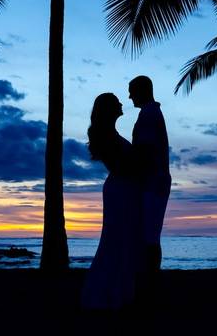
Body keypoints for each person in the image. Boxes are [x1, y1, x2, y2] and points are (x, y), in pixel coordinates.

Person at [80, 93, 142, 310]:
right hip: (120, 189)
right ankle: (109, 295)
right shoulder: (106, 136)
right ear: (108, 108)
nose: (121, 103)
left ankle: (118, 292)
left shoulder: (110, 134)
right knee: (116, 239)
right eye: (116, 101)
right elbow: (120, 167)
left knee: (122, 239)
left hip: (122, 188)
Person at [128, 75, 172, 304]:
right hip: (155, 182)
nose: (129, 96)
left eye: (132, 91)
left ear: (142, 90)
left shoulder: (148, 114)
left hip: (153, 183)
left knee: (150, 237)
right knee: (150, 236)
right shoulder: (151, 113)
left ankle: (150, 285)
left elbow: (143, 152)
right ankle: (150, 283)